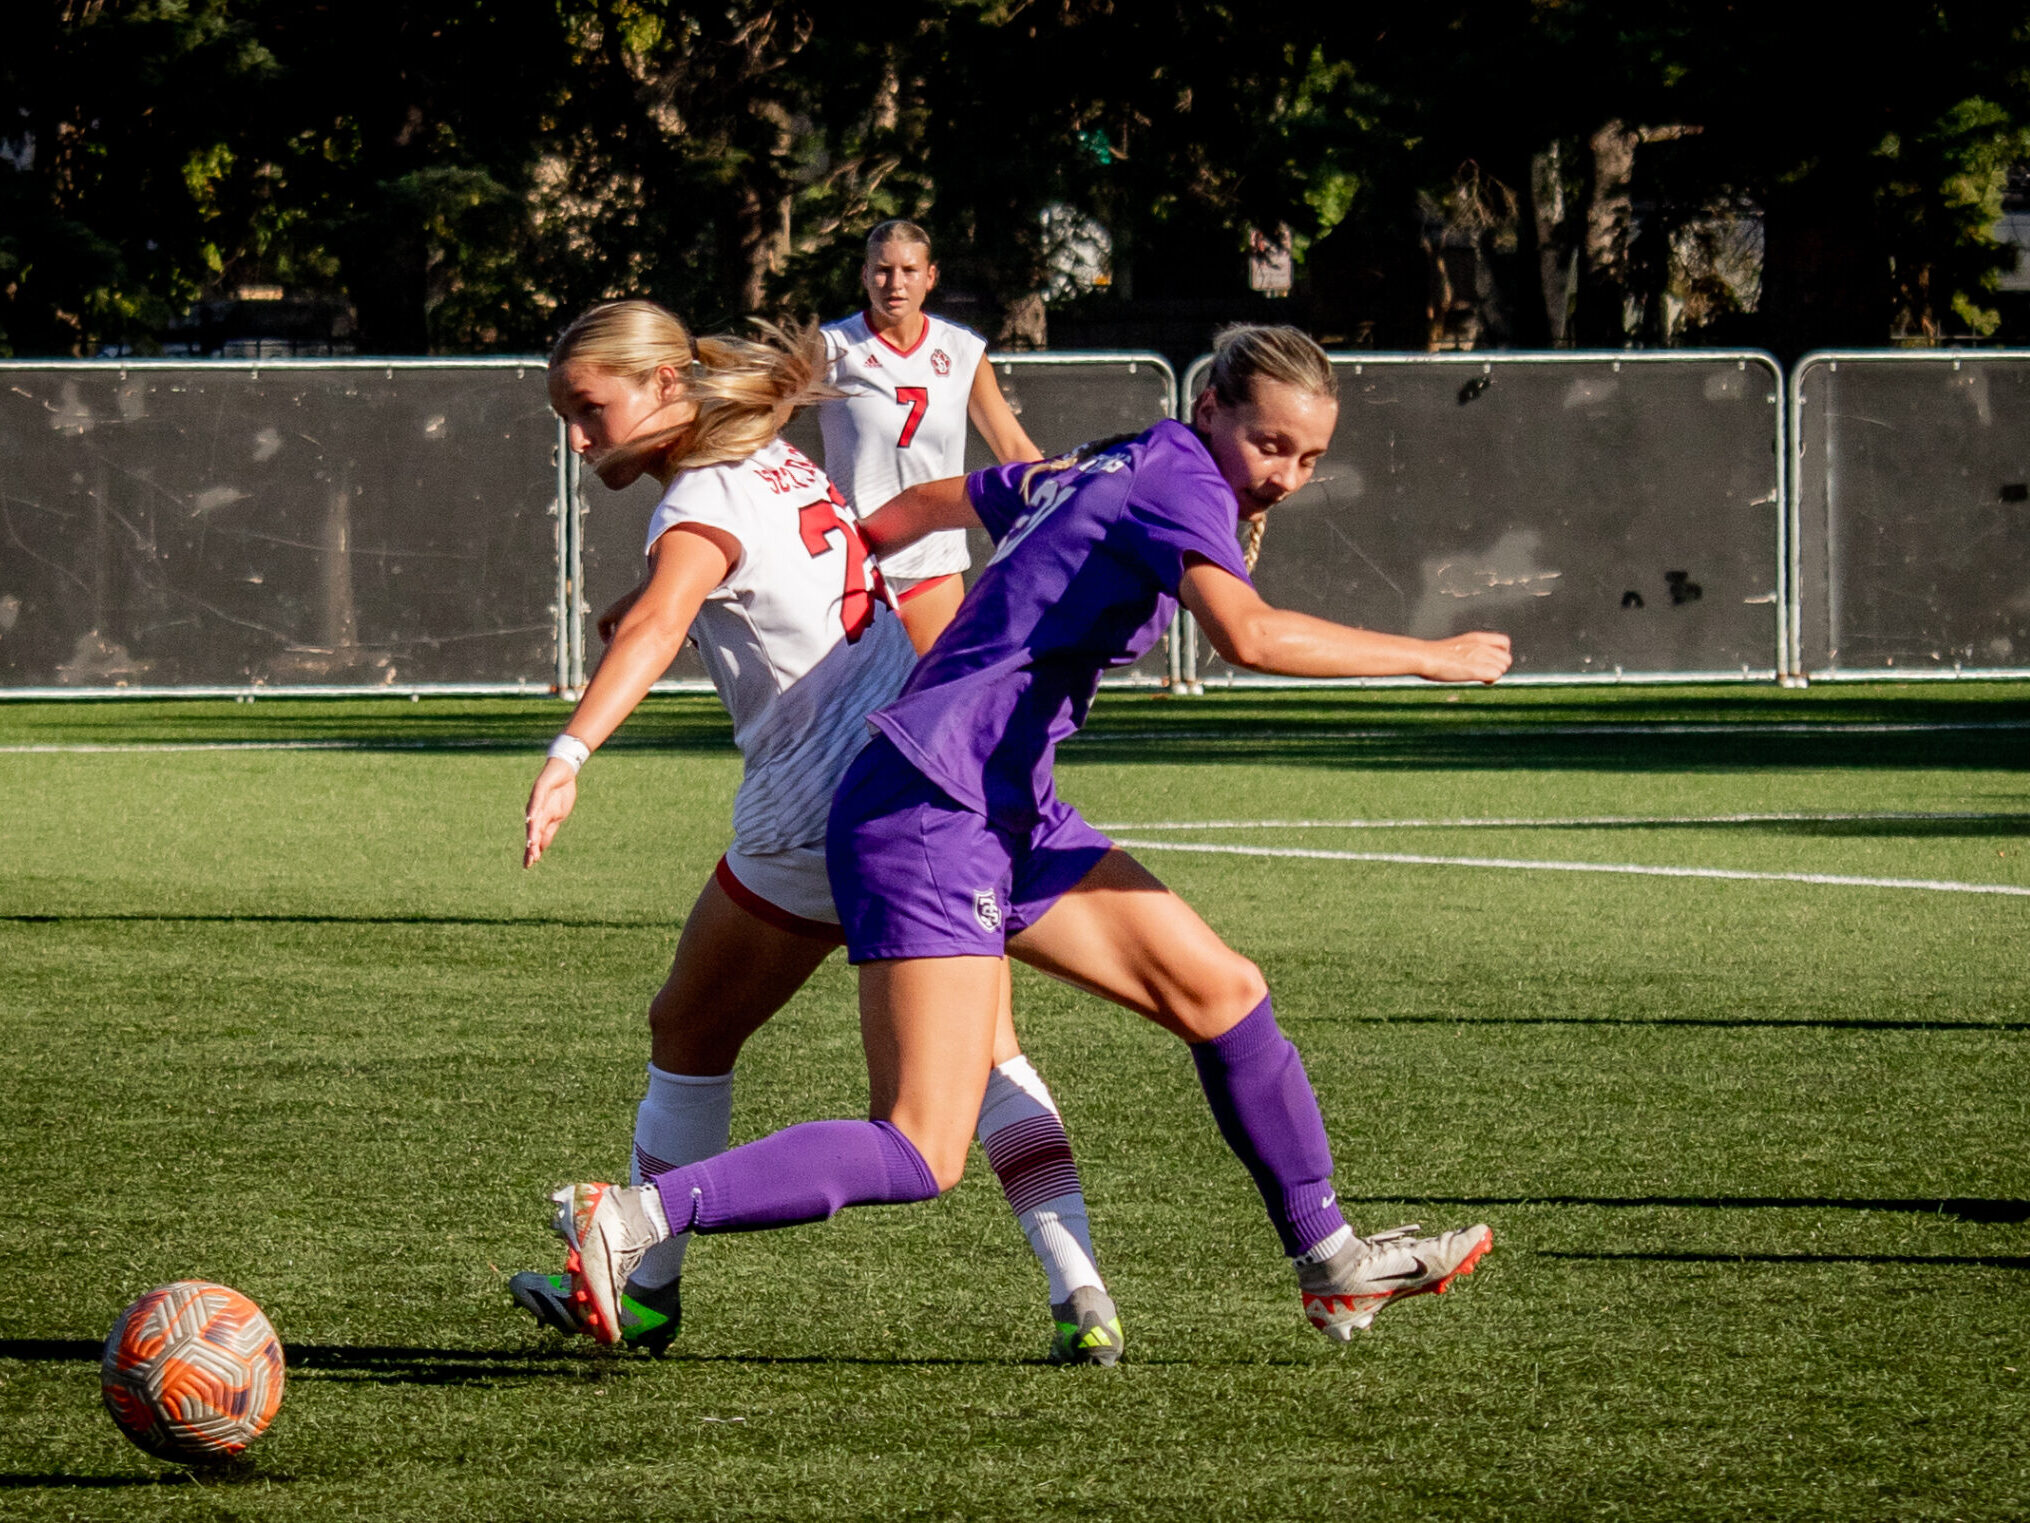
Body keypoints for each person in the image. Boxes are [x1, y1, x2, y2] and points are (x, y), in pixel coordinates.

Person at [547, 324, 1514, 1349]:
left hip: (1002, 802)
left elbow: (934, 504)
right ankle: (633, 1217)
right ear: (1209, 412)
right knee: (920, 1143)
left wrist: (816, 560)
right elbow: (1249, 635)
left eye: (1308, 457)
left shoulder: (1108, 459)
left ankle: (1331, 1262)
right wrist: (1430, 655)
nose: (1282, 475)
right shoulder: (1176, 480)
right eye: (1268, 444)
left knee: (1222, 991)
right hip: (933, 802)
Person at [511, 299, 1123, 1365]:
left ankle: (641, 1280)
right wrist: (649, 591)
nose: (575, 437)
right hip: (927, 785)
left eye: (587, 407)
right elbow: (716, 582)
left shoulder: (697, 497)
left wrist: (569, 754)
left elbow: (665, 620)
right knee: (987, 1049)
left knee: (691, 1034)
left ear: (662, 388)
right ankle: (1081, 1288)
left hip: (814, 814)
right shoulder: (772, 459)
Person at [819, 219, 1041, 654]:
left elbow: (1013, 448)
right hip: (852, 564)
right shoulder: (831, 349)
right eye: (882, 270)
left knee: (932, 707)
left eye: (909, 270)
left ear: (931, 276)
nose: (894, 283)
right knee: (840, 716)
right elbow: (764, 429)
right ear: (864, 275)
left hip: (931, 566)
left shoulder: (961, 350)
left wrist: (1063, 496)